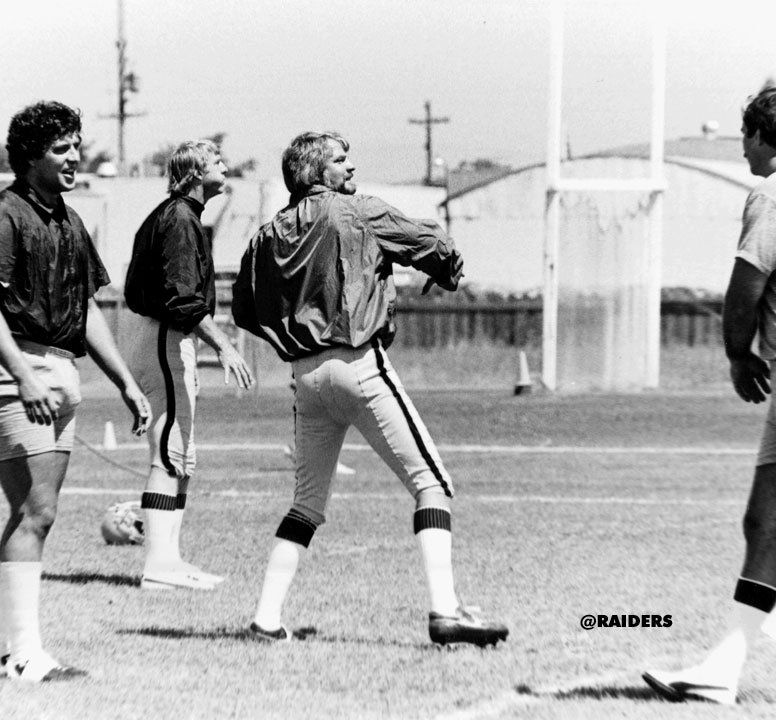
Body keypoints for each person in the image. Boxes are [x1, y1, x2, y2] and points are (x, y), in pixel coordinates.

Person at [232, 131, 508, 646]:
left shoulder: (265, 234)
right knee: (433, 484)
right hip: (359, 364)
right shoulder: (356, 211)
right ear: (317, 172)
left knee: (306, 505)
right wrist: (445, 270)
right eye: (342, 160)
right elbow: (434, 243)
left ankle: (266, 619)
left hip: (305, 377)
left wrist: (292, 334)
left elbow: (245, 309)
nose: (352, 167)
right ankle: (445, 613)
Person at [643, 86, 776, 704]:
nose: (742, 151)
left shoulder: (773, 192)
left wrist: (737, 354)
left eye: (744, 138)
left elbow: (746, 284)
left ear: (760, 136)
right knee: (764, 523)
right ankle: (722, 670)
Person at [0, 101, 151, 682]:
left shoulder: (67, 221)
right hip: (17, 369)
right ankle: (24, 655)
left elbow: (85, 308)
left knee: (35, 513)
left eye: (76, 144)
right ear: (29, 157)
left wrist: (124, 380)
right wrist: (21, 374)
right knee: (37, 512)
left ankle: (5, 650)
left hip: (59, 373)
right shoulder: (0, 215)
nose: (74, 156)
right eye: (61, 148)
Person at [122, 139, 254, 591]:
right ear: (196, 172)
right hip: (163, 335)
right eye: (217, 160)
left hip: (166, 337)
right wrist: (223, 345)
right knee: (169, 449)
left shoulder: (183, 217)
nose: (225, 164)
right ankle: (159, 566)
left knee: (182, 455)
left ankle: (170, 561)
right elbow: (180, 298)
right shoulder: (179, 218)